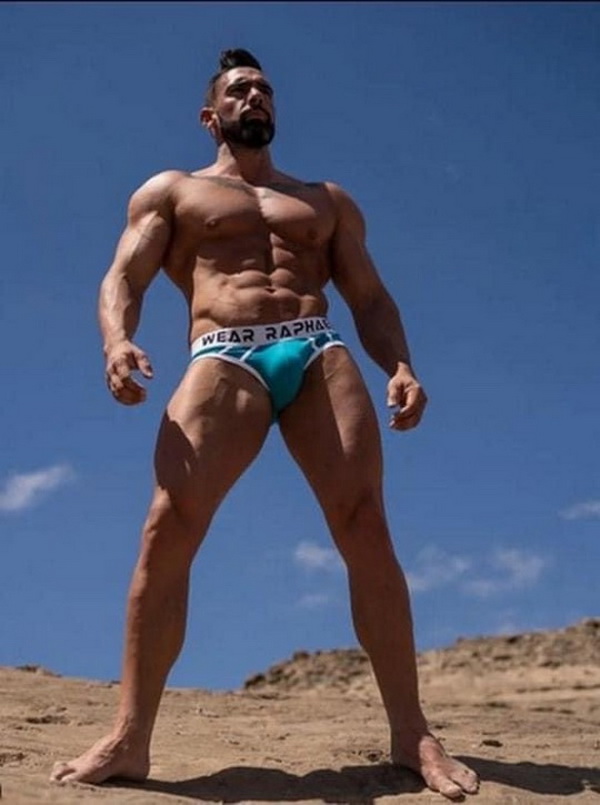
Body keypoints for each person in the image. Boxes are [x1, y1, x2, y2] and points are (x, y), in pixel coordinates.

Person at [51, 49, 479, 800]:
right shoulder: (173, 190)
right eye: (240, 89)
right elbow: (124, 275)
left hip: (317, 348)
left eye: (265, 89)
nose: (256, 97)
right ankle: (131, 735)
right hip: (223, 353)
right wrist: (117, 341)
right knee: (167, 526)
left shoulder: (324, 200)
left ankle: (411, 731)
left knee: (365, 524)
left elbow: (369, 296)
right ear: (210, 115)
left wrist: (401, 365)